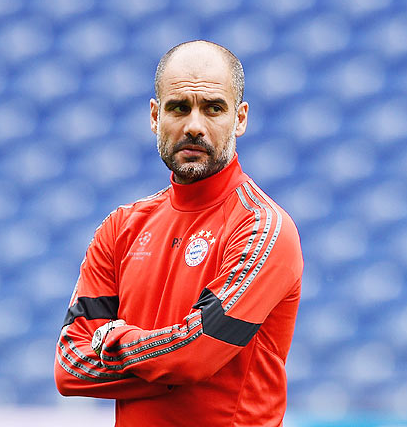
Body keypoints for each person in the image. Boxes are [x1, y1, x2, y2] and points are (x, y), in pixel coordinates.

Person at [54, 40, 303, 427]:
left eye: (214, 108)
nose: (194, 126)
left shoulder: (262, 228)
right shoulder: (120, 227)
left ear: (240, 119)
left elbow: (194, 356)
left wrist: (115, 340)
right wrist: (175, 362)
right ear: (155, 116)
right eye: (178, 107)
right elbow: (69, 367)